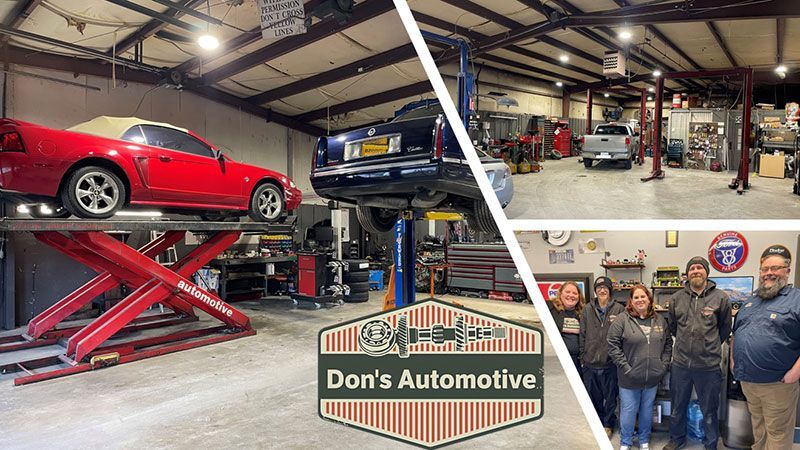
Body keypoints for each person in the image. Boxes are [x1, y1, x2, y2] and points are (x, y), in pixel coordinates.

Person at [731, 245, 800, 450]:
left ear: (787, 271)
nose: (769, 273)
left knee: (777, 433)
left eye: (775, 268)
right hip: (749, 382)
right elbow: (737, 332)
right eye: (764, 269)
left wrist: (795, 372)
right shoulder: (751, 300)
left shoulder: (797, 300)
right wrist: (734, 362)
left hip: (778, 384)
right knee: (759, 429)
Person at [663, 256, 732, 450]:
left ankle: (710, 444)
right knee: (678, 407)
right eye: (692, 268)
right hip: (681, 364)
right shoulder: (676, 299)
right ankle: (677, 440)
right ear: (687, 273)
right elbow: (674, 327)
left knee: (709, 409)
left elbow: (725, 329)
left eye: (699, 268)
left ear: (706, 273)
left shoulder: (721, 298)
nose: (695, 271)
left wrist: (709, 346)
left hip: (709, 365)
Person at [608, 284, 673, 450]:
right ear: (631, 301)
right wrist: (626, 368)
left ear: (649, 299)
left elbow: (667, 344)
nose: (640, 300)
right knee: (629, 411)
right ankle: (626, 442)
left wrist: (663, 365)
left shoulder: (659, 320)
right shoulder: (622, 319)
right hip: (629, 378)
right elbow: (612, 345)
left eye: (643, 296)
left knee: (646, 410)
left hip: (652, 377)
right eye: (636, 297)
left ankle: (644, 439)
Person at [580, 276, 625, 438]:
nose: (602, 290)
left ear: (610, 290)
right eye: (599, 287)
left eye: (605, 287)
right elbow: (582, 335)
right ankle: (598, 422)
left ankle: (608, 424)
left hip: (610, 363)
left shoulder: (619, 309)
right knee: (595, 397)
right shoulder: (587, 309)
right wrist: (582, 357)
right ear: (595, 290)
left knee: (611, 397)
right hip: (590, 363)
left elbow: (623, 336)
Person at [548, 281, 585, 376]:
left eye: (575, 293)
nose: (571, 295)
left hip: (577, 362)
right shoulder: (549, 308)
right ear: (560, 293)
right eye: (567, 292)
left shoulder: (583, 313)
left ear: (579, 297)